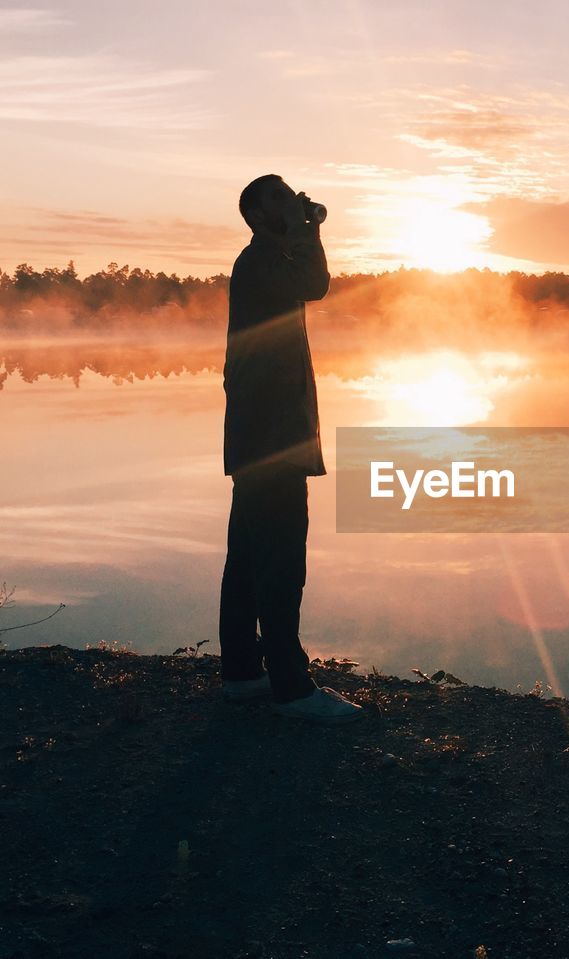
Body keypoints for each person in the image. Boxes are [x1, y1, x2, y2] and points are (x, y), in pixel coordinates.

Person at [218, 173, 362, 723]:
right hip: (271, 436)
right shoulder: (260, 264)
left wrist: (302, 230)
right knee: (280, 561)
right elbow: (315, 284)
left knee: (250, 558)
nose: (293, 199)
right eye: (278, 195)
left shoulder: (262, 262)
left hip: (260, 434)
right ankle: (291, 687)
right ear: (256, 214)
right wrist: (310, 232)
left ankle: (242, 675)